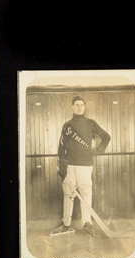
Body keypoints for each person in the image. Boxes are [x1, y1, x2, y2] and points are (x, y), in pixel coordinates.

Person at [50, 95, 111, 237]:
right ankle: (66, 223)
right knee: (68, 193)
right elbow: (61, 146)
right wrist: (62, 164)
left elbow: (106, 136)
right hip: (69, 165)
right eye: (77, 105)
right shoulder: (67, 125)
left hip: (85, 165)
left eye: (82, 105)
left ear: (84, 107)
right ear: (72, 107)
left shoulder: (91, 123)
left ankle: (87, 223)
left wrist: (98, 150)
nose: (79, 107)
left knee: (85, 192)